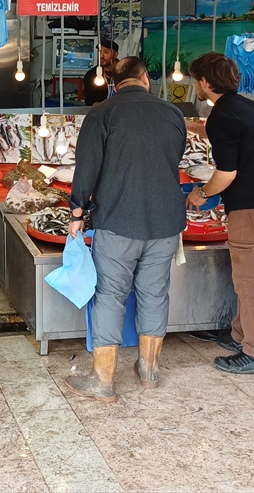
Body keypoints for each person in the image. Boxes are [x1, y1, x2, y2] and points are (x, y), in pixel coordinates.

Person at [66, 56, 187, 402]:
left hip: (118, 220)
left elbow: (86, 168)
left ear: (114, 83)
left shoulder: (102, 114)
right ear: (145, 78)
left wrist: (77, 212)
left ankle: (103, 381)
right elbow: (174, 158)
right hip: (165, 223)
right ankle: (149, 371)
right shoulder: (173, 113)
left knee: (110, 296)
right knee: (154, 293)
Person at [184, 53, 254, 377]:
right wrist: (186, 126)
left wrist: (202, 193)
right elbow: (229, 136)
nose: (195, 85)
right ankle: (240, 335)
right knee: (251, 275)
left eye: (195, 80)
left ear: (204, 82)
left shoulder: (222, 116)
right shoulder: (247, 107)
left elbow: (226, 173)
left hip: (250, 209)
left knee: (247, 281)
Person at [82, 39, 118, 106]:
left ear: (116, 55)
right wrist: (98, 105)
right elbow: (89, 99)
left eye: (106, 52)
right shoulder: (91, 75)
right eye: (100, 52)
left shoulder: (126, 72)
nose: (101, 56)